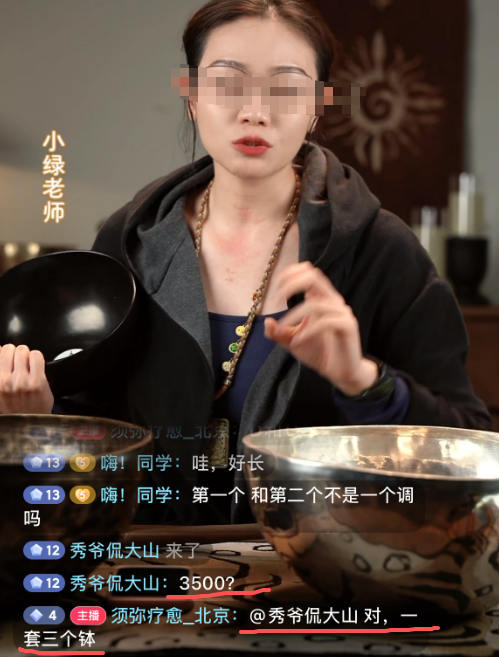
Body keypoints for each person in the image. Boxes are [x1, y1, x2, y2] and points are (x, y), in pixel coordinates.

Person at [0, 0, 492, 526]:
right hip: (154, 561)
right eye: (227, 82)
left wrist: (364, 380)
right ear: (192, 97)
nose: (255, 110)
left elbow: (467, 446)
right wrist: (35, 420)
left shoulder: (382, 251)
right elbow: (94, 430)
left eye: (286, 87)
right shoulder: (131, 239)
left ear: (317, 106)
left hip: (312, 564)